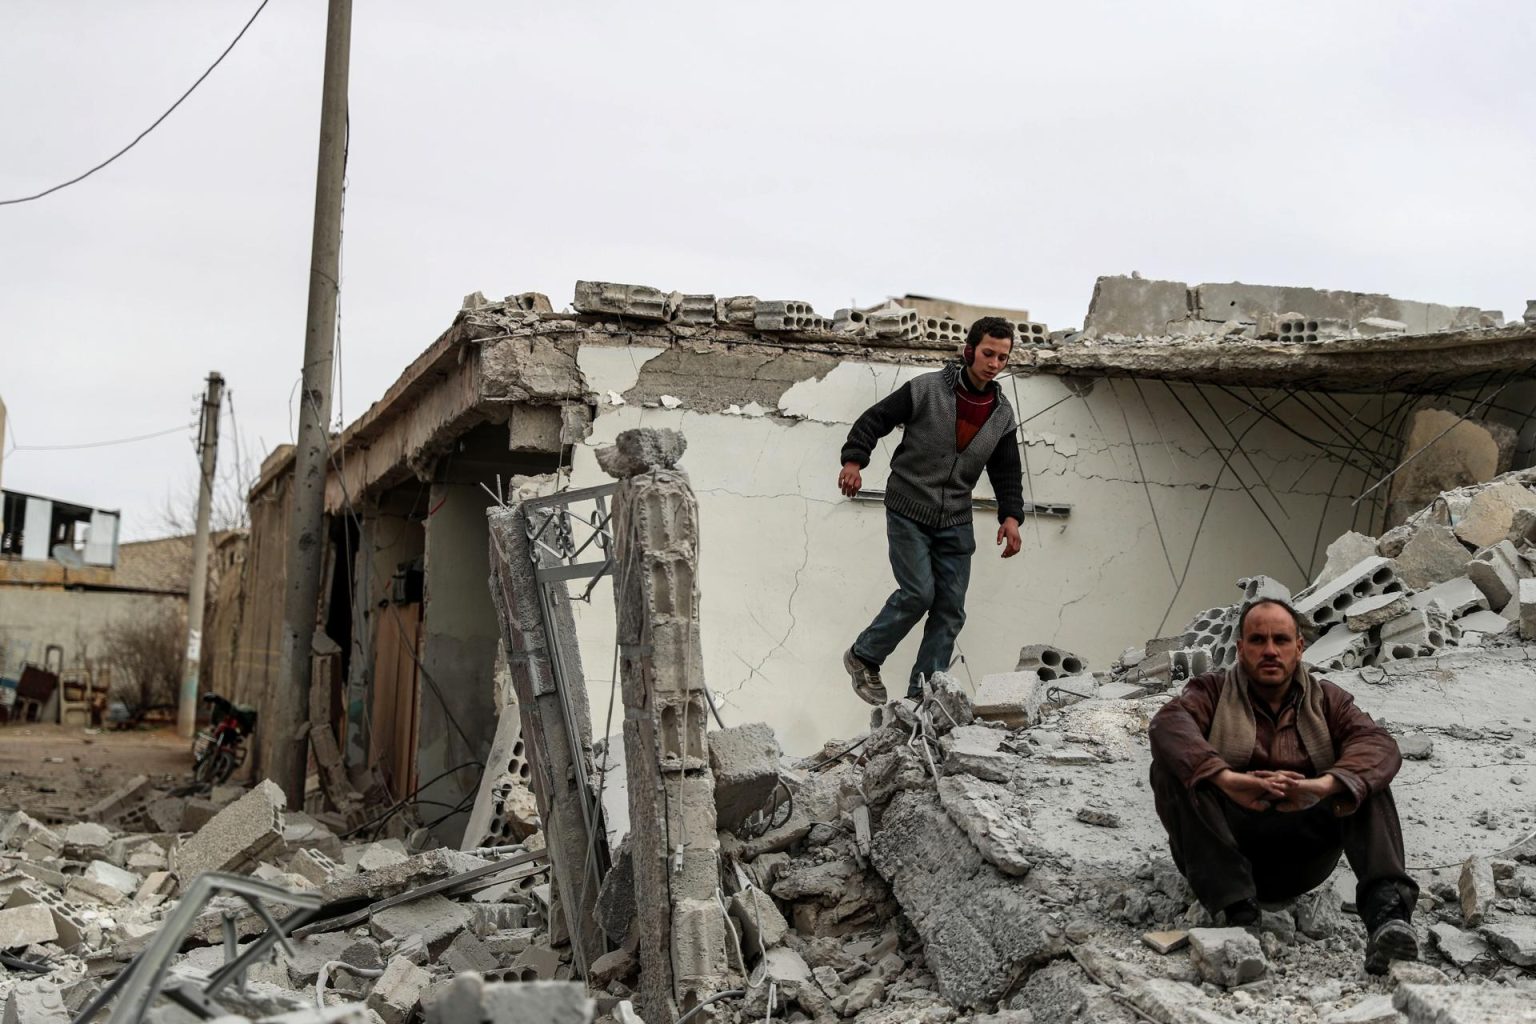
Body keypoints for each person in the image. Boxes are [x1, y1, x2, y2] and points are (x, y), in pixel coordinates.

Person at [1148, 598, 1419, 974]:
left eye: (1281, 640)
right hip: (1224, 854)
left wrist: (1324, 786)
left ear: (1299, 647)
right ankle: (1237, 914)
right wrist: (1227, 779)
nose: (1270, 651)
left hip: (1305, 857)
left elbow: (1379, 745)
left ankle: (1388, 917)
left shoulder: (1328, 700)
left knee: (1364, 781)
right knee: (1171, 769)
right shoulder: (1211, 691)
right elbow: (1167, 725)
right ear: (1240, 649)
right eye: (1258, 640)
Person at [838, 316, 1025, 704]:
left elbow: (1006, 469)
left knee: (950, 610)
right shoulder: (926, 389)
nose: (994, 363)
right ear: (969, 350)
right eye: (988, 353)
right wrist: (854, 462)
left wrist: (1011, 516)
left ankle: (922, 699)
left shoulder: (1002, 414)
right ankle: (863, 656)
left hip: (956, 517)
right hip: (909, 506)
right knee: (919, 593)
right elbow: (875, 420)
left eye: (1002, 357)